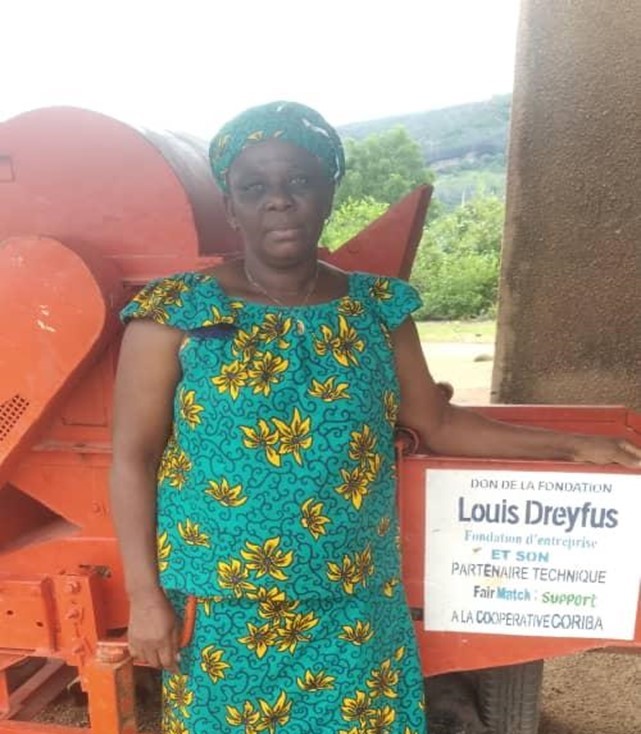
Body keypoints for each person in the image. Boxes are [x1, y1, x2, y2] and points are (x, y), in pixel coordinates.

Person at [110, 101, 641, 734]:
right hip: (224, 609)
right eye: (254, 188)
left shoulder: (376, 310)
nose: (278, 201)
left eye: (299, 181)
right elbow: (132, 458)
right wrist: (145, 598)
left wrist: (574, 450)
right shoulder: (175, 314)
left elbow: (438, 424)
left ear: (329, 192)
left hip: (355, 606)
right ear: (231, 207)